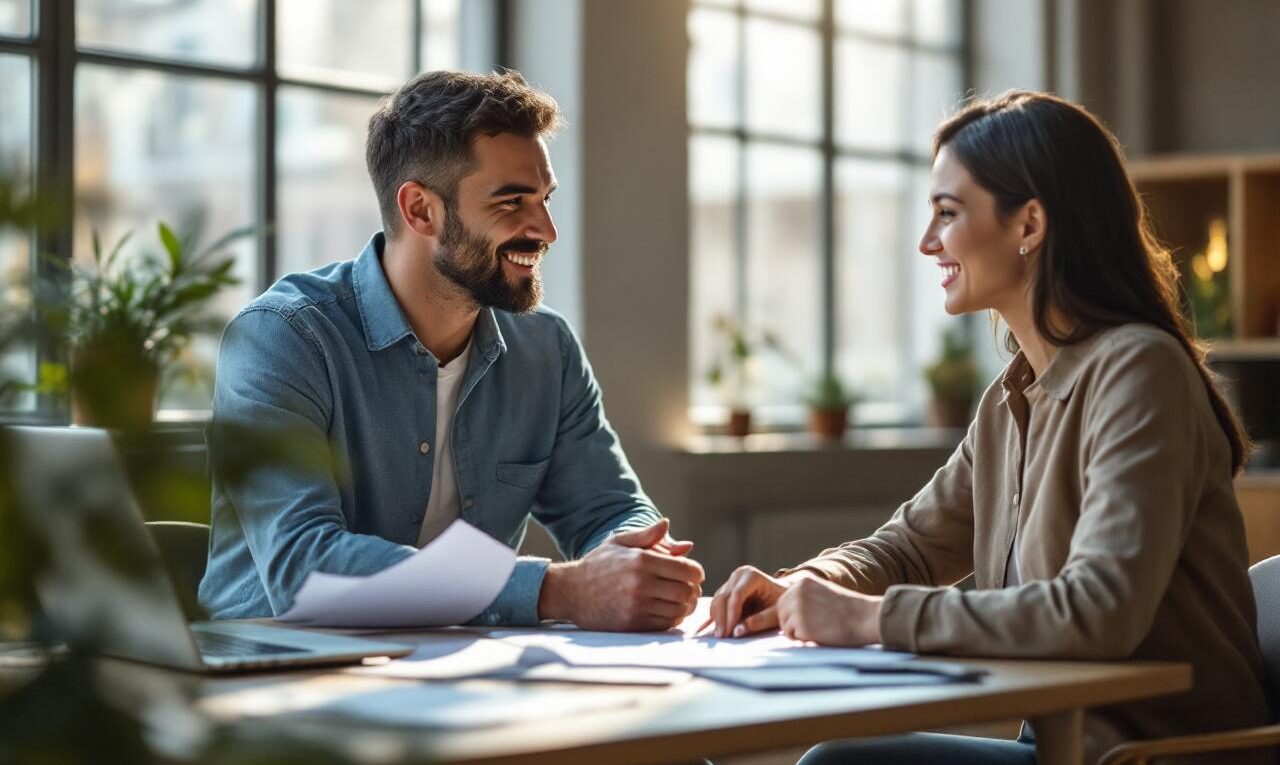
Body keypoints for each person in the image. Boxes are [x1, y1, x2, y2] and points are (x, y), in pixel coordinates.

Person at [706, 91, 1272, 764]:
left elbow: (1099, 611)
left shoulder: (1139, 372)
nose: (926, 242)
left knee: (843, 762)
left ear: (1029, 223)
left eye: (947, 213)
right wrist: (802, 584)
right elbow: (910, 549)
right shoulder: (1012, 397)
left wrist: (864, 618)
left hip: (1164, 757)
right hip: (1062, 747)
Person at [200, 70, 704, 631]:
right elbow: (304, 567)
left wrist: (635, 558)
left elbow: (609, 506)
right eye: (512, 203)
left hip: (459, 668)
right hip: (274, 673)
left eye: (544, 198)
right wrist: (553, 591)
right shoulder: (284, 337)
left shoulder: (546, 348)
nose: (546, 230)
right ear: (420, 210)